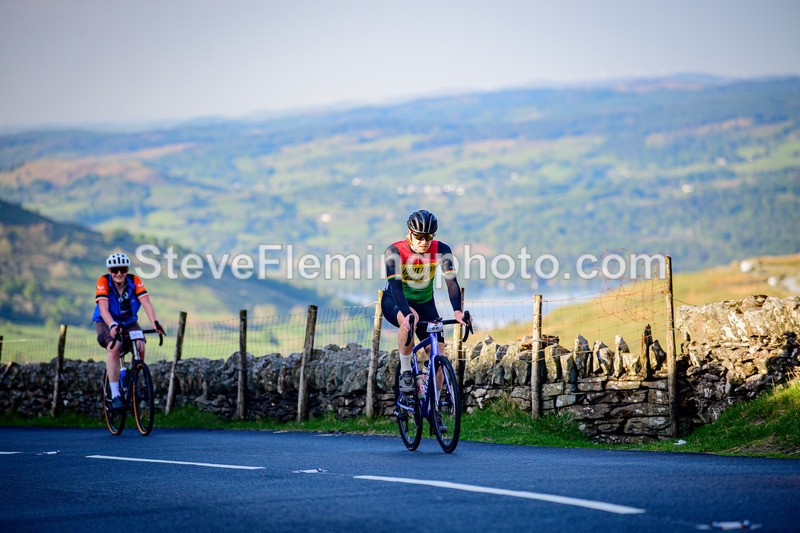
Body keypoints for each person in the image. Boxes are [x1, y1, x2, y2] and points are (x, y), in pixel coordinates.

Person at [381, 210, 466, 394]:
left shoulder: (442, 250)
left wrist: (457, 311)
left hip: (426, 303)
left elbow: (452, 282)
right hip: (396, 301)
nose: (423, 242)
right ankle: (405, 372)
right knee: (412, 318)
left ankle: (433, 407)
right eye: (419, 236)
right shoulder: (394, 252)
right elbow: (396, 287)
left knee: (438, 358)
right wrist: (406, 313)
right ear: (409, 234)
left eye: (428, 237)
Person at [93, 252, 165, 411]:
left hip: (129, 321)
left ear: (127, 270)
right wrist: (112, 325)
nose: (119, 273)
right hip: (106, 320)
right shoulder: (103, 281)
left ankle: (133, 382)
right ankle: (115, 394)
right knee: (115, 348)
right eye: (115, 270)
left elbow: (146, 303)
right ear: (110, 271)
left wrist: (155, 323)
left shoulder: (134, 280)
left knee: (140, 345)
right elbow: (103, 309)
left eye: (123, 269)